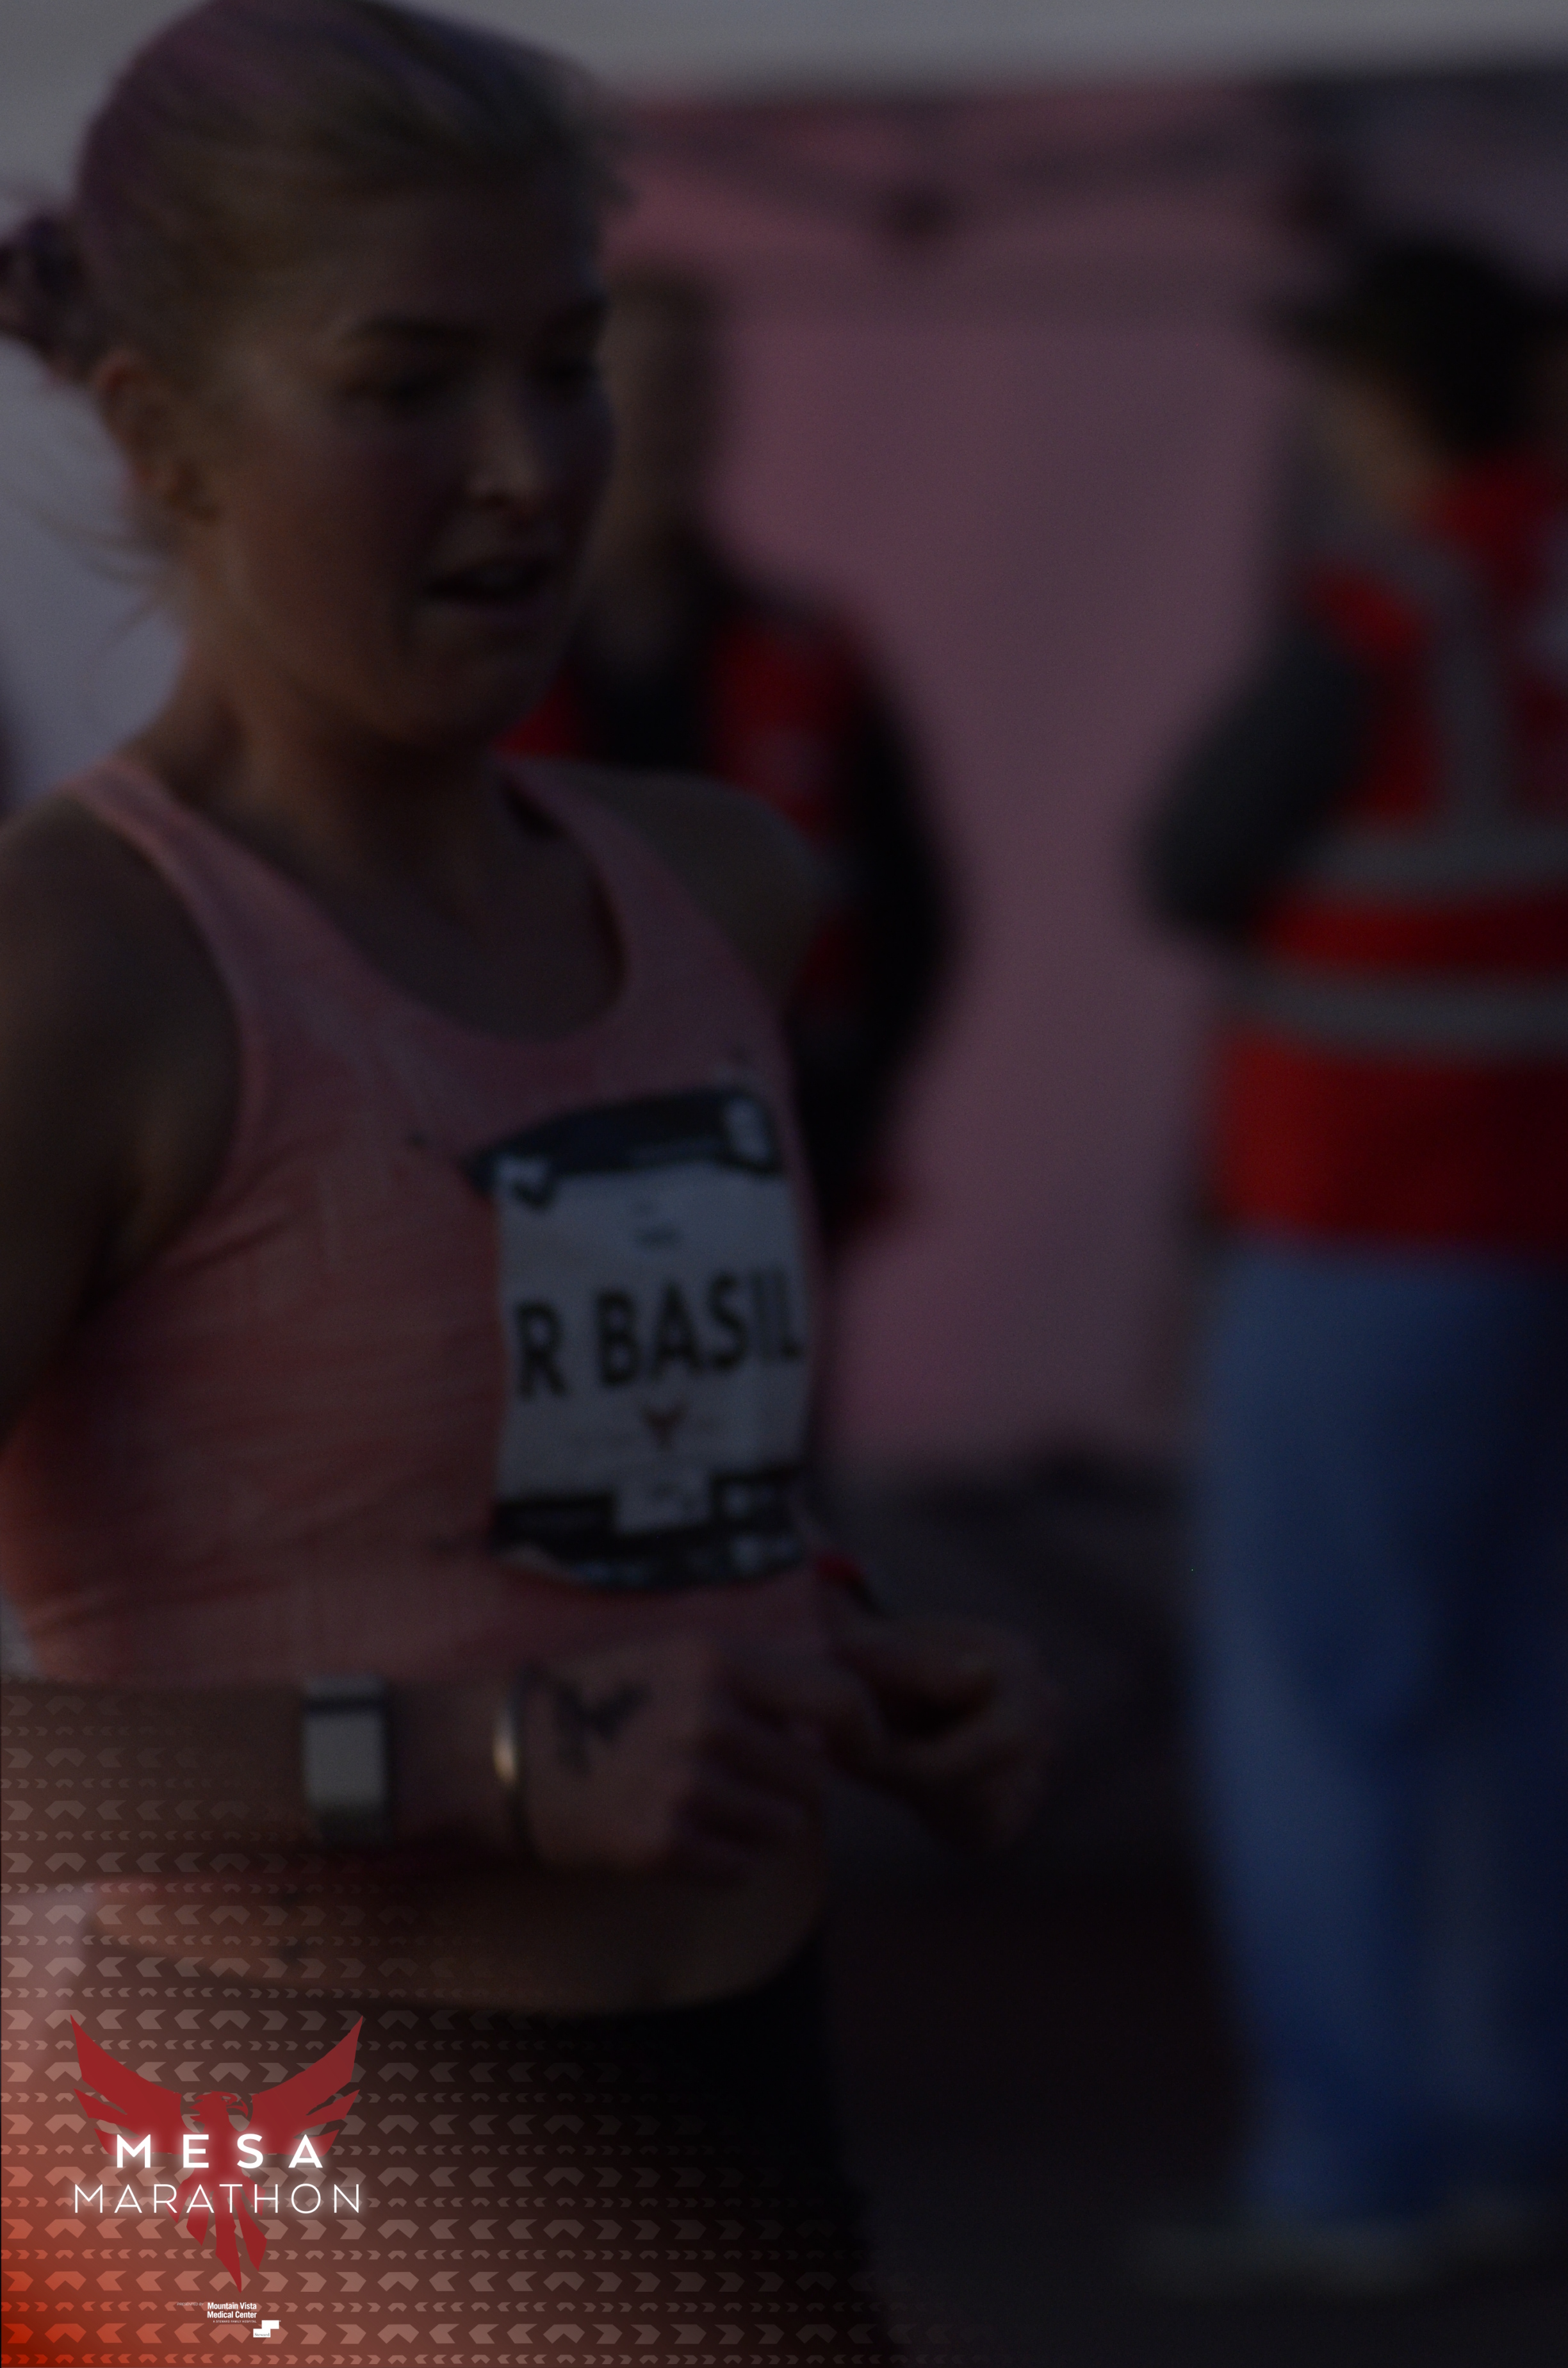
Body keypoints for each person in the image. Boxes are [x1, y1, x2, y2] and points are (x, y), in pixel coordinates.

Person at [0, 8, 1050, 2365]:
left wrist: (838, 1649)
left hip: (741, 2126)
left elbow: (550, 1503)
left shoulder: (713, 895)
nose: (526, 470)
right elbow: (490, 1701)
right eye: (405, 385)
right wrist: (465, 1760)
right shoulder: (85, 972)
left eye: (566, 368)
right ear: (163, 431)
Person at [1138, 242, 1568, 2292]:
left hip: (1372, 1222)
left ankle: (1348, 2164)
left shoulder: (1391, 602)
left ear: (1386, 404)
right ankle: (1509, 2131)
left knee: (1323, 1705)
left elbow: (1189, 854)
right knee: (1521, 1695)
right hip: (1540, 1225)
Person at [506, 264, 952, 1252]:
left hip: (773, 1166)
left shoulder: (809, 657)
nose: (666, 419)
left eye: (692, 386)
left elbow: (917, 921)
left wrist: (848, 1114)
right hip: (533, 1178)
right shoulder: (480, 660)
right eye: (636, 386)